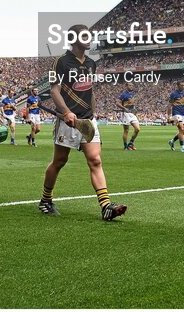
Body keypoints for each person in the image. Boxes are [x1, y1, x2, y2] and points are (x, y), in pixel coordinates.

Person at [37, 24, 126, 221]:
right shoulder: (59, 62)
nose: (89, 38)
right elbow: (54, 90)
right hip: (69, 121)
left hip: (88, 120)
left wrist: (93, 113)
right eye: (84, 35)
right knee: (59, 161)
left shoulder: (92, 63)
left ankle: (106, 207)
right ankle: (45, 199)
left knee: (95, 160)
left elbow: (90, 90)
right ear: (73, 38)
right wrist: (67, 112)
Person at [168, 81, 184, 152]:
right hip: (176, 114)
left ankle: (172, 141)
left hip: (183, 114)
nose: (183, 86)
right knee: (181, 129)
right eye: (181, 85)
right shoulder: (173, 94)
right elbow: (169, 105)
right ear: (178, 85)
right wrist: (168, 116)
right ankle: (182, 147)